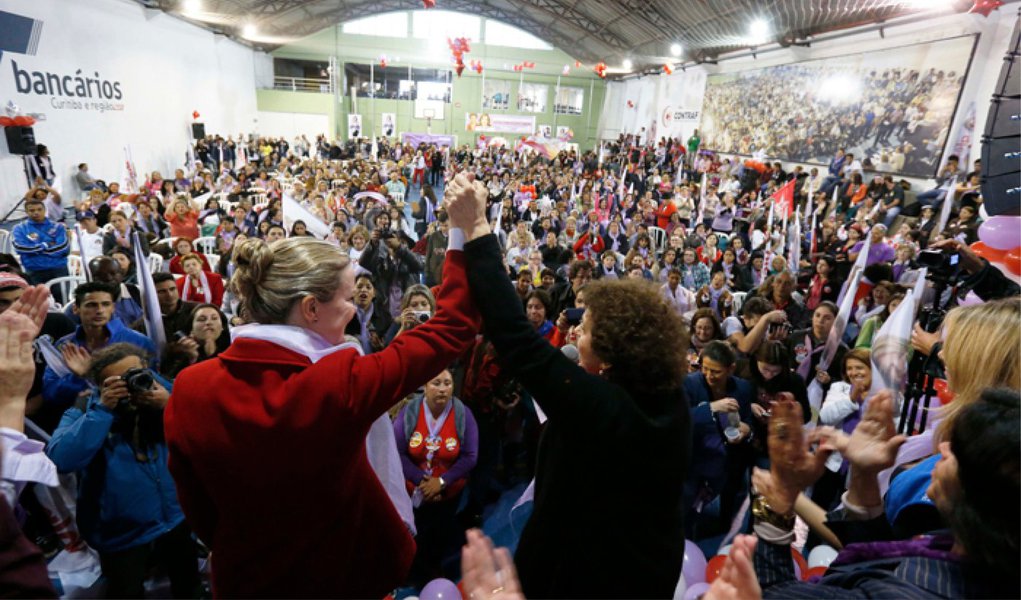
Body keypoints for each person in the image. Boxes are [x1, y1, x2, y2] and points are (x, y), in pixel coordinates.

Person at [164, 229, 480, 597]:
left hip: (244, 580)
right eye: (347, 298)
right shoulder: (339, 383)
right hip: (339, 580)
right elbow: (453, 326)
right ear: (312, 308)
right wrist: (463, 231)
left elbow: (199, 508)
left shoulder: (188, 388)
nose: (353, 309)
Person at [446, 173, 690, 598]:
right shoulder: (670, 402)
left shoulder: (602, 409)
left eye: (588, 330)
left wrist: (477, 229)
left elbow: (518, 340)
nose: (576, 335)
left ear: (614, 351)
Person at [718, 389, 1020, 599]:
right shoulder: (977, 550)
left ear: (983, 495)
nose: (941, 449)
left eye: (957, 450)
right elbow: (880, 554)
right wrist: (864, 474)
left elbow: (769, 592)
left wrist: (780, 498)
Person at [46, 343, 200, 599]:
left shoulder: (164, 394)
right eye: (118, 381)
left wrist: (170, 404)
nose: (130, 385)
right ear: (100, 385)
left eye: (134, 374)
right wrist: (103, 411)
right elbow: (61, 460)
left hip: (176, 519)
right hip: (121, 535)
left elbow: (204, 428)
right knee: (126, 591)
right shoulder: (86, 410)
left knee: (189, 587)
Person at [394, 368, 478, 585]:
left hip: (448, 492)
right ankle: (411, 569)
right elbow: (397, 451)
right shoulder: (410, 412)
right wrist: (423, 482)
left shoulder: (462, 414)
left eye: (447, 384)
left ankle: (433, 568)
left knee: (439, 533)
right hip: (415, 490)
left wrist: (441, 482)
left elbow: (470, 456)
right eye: (436, 383)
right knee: (413, 533)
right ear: (424, 386)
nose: (442, 389)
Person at [43, 282, 156, 415]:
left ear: (113, 308)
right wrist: (76, 378)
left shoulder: (138, 341)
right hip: (79, 417)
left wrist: (88, 375)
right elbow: (50, 394)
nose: (99, 310)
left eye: (106, 304)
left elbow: (152, 388)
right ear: (75, 309)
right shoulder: (65, 345)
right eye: (91, 305)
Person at [683, 340, 755, 534]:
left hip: (728, 460)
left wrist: (746, 430)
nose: (708, 375)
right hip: (694, 460)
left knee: (730, 505)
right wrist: (712, 408)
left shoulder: (743, 388)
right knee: (686, 510)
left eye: (715, 371)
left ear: (731, 369)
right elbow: (680, 418)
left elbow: (748, 420)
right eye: (704, 368)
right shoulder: (689, 383)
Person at [12, 198, 70, 290]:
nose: (36, 212)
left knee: (62, 301)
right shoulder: (19, 229)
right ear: (26, 212)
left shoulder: (58, 227)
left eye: (39, 209)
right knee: (39, 302)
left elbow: (63, 247)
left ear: (45, 210)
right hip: (34, 270)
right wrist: (46, 245)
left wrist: (35, 250)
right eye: (32, 210)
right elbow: (20, 248)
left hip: (58, 268)